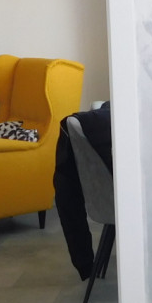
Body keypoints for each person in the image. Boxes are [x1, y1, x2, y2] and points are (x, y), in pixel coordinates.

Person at [54, 103, 112, 279]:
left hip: (107, 202)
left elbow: (66, 191)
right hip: (130, 203)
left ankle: (86, 264)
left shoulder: (97, 118)